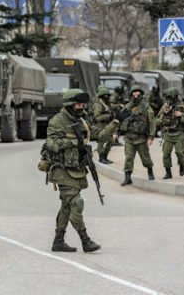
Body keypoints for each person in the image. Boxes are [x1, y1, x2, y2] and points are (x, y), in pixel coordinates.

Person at [45, 89, 118, 253]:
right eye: (77, 104)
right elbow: (51, 143)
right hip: (62, 170)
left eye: (82, 104)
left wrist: (114, 124)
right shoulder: (58, 120)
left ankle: (58, 241)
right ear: (69, 104)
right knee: (77, 203)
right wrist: (72, 142)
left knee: (66, 206)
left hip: (77, 169)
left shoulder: (82, 121)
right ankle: (86, 240)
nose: (81, 107)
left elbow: (99, 135)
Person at [119, 85, 156, 186]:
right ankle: (127, 177)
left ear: (141, 94)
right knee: (128, 158)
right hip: (129, 137)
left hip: (141, 138)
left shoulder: (146, 106)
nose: (135, 95)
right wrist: (115, 132)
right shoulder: (128, 106)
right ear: (131, 95)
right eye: (134, 93)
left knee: (145, 158)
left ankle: (150, 171)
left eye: (138, 93)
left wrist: (151, 137)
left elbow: (152, 122)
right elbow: (120, 119)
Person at [156, 88, 184, 179]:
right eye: (168, 97)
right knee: (165, 154)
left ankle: (181, 165)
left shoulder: (182, 106)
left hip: (179, 133)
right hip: (168, 134)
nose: (170, 99)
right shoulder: (165, 106)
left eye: (171, 97)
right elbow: (155, 120)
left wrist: (181, 115)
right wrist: (160, 120)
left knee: (179, 152)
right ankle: (168, 172)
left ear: (175, 96)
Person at [93, 86, 115, 164]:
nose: (107, 97)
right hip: (100, 126)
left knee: (111, 141)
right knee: (101, 143)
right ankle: (101, 158)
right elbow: (97, 117)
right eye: (105, 95)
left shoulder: (107, 104)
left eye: (107, 95)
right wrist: (108, 116)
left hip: (107, 125)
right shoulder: (98, 105)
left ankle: (105, 156)